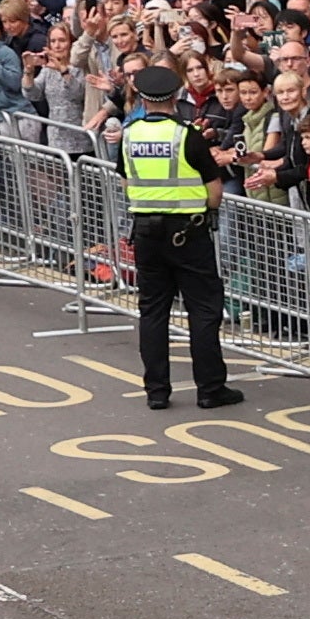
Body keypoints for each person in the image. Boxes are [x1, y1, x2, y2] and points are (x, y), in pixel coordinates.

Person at [118, 65, 235, 413]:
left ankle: (156, 391)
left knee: (153, 311)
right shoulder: (187, 135)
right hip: (189, 232)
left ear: (142, 98)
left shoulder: (130, 134)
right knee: (202, 309)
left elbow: (126, 182)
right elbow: (215, 193)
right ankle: (210, 389)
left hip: (145, 231)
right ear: (175, 96)